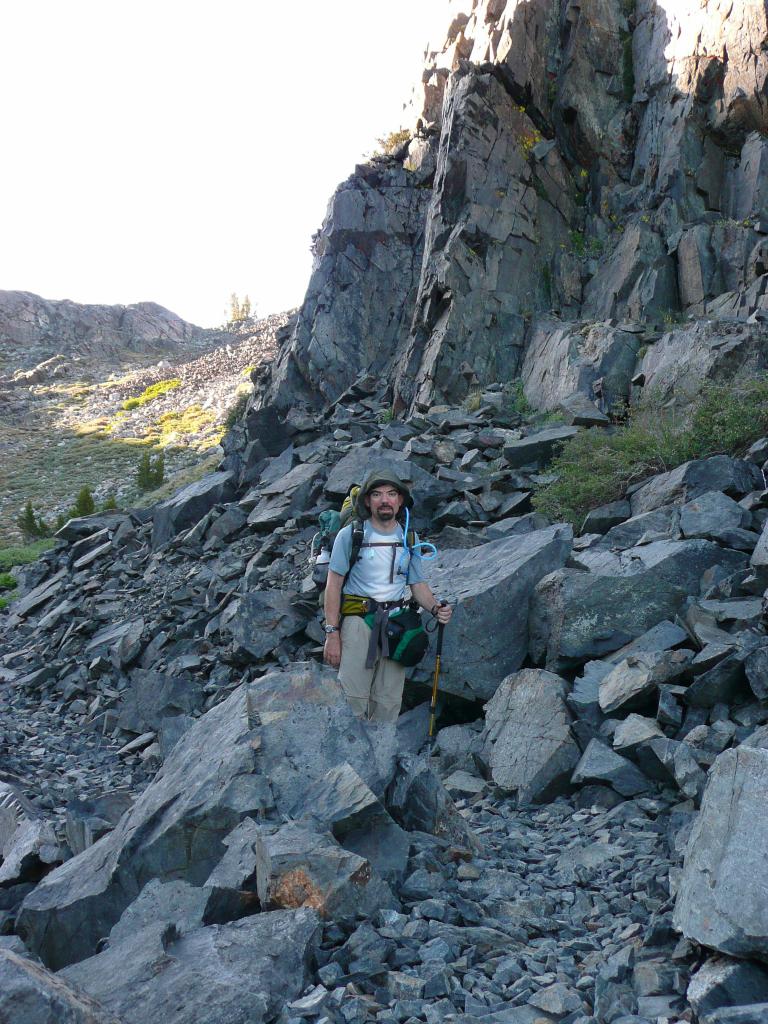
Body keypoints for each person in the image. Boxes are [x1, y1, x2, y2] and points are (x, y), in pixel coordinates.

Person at [323, 467, 452, 722]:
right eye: (378, 494)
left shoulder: (409, 539)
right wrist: (332, 633)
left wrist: (436, 609)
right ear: (368, 501)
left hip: (396, 625)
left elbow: (417, 584)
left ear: (400, 500)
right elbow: (333, 585)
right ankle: (351, 758)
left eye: (392, 494)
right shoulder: (350, 535)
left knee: (388, 703)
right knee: (352, 699)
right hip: (358, 621)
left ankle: (381, 755)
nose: (385, 500)